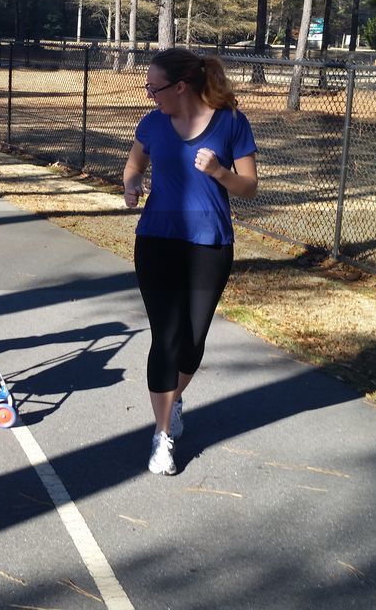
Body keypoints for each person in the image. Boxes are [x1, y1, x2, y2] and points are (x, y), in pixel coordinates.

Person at [123, 48, 258, 475]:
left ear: (180, 86)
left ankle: (174, 398)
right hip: (157, 241)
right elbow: (133, 163)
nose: (150, 95)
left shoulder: (231, 122)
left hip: (209, 243)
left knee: (192, 340)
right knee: (166, 336)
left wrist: (220, 172)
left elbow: (250, 188)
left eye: (154, 87)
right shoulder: (152, 123)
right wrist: (132, 185)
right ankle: (161, 435)